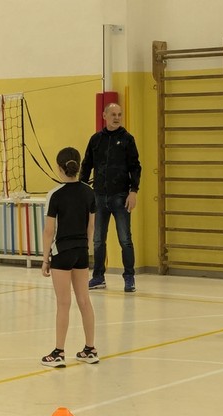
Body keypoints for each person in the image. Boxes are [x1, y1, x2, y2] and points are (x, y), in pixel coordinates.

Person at [41, 147, 98, 367]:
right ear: (78, 165)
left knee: (64, 303)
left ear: (59, 167)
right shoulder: (88, 192)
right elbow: (91, 226)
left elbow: (49, 231)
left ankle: (58, 352)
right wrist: (86, 247)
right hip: (81, 251)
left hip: (62, 253)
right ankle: (90, 349)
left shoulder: (55, 195)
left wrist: (45, 259)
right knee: (84, 300)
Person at [79, 102, 142, 293]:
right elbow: (86, 165)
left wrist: (133, 191)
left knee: (125, 239)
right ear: (104, 116)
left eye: (119, 114)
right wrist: (81, 189)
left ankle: (129, 277)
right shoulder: (96, 139)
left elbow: (135, 167)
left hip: (121, 197)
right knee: (98, 240)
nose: (117, 118)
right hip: (99, 196)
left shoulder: (127, 139)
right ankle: (98, 276)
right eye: (113, 114)